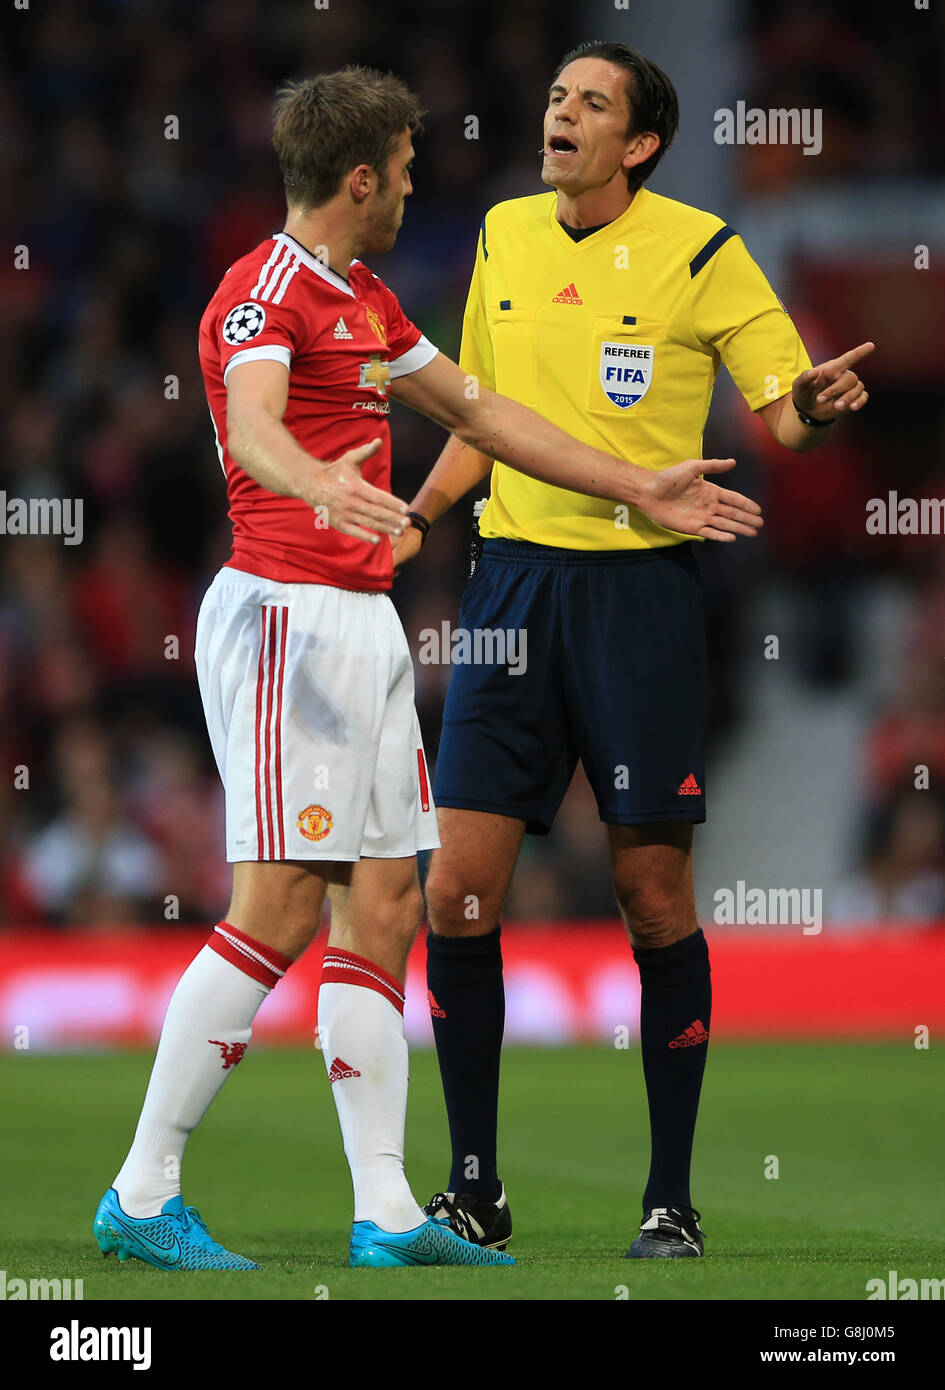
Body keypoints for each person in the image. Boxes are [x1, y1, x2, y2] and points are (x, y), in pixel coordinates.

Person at [92, 65, 760, 1272]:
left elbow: (485, 415)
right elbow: (250, 422)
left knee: (392, 904)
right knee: (283, 904)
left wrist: (640, 482)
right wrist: (313, 477)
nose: (413, 181)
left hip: (363, 623)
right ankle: (144, 1189)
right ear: (362, 177)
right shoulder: (266, 292)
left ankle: (390, 1210)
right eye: (402, 167)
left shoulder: (366, 296)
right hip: (287, 616)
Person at [394, 41, 872, 1259]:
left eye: (590, 103)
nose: (561, 113)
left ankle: (669, 1197)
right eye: (557, 95)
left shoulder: (704, 250)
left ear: (640, 142)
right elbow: (475, 413)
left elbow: (781, 414)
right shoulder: (502, 233)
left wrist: (810, 408)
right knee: (455, 888)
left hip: (640, 599)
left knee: (652, 900)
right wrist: (412, 520)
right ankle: (473, 1188)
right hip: (508, 585)